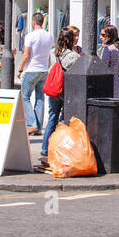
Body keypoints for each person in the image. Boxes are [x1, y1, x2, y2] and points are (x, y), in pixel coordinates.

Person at [40, 26, 80, 168]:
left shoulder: (53, 52)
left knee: (52, 118)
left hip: (53, 89)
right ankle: (59, 146)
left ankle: (45, 148)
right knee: (63, 120)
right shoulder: (73, 56)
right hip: (65, 89)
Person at [19, 13, 54, 136]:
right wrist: (47, 65)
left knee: (24, 96)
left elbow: (26, 55)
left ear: (33, 22)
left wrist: (20, 69)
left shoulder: (30, 36)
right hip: (44, 70)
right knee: (40, 98)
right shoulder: (49, 36)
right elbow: (49, 53)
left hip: (32, 69)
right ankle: (38, 127)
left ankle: (31, 124)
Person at [99, 25, 119, 100]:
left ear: (110, 36)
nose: (100, 37)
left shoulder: (108, 49)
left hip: (111, 87)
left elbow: (102, 67)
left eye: (103, 35)